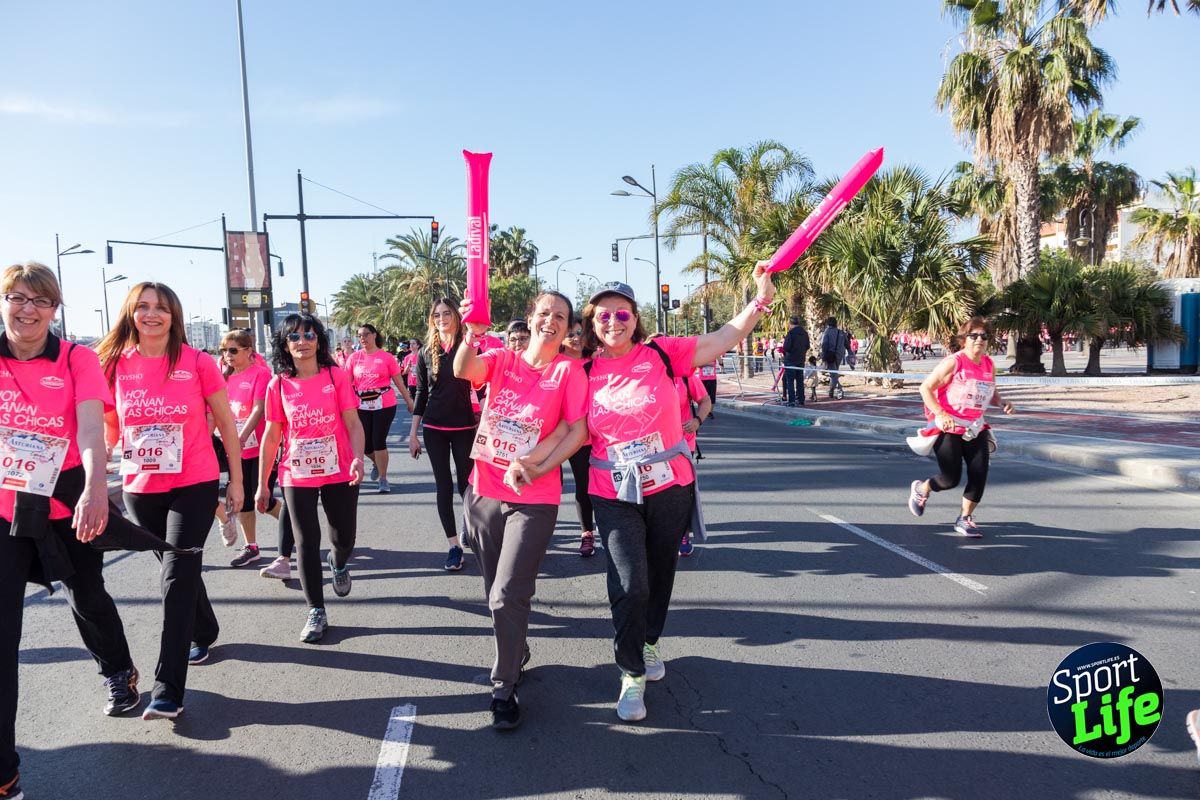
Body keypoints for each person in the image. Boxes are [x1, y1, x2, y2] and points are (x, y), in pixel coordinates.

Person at [564, 270, 775, 723]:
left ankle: (649, 640)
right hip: (612, 491)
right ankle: (631, 673)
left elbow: (723, 337)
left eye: (621, 313)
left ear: (635, 318)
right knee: (629, 582)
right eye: (603, 315)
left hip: (671, 484)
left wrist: (760, 302)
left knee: (661, 576)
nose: (613, 321)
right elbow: (564, 423)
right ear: (591, 323)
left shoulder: (662, 352)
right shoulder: (583, 371)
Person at [0, 263, 142, 799]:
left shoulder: (75, 357)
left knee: (86, 594)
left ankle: (118, 669)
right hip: (7, 506)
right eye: (16, 297)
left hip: (67, 499)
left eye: (40, 301)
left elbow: (89, 425)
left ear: (54, 310)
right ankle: (4, 771)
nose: (27, 309)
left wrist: (96, 487)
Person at [99, 281, 243, 721]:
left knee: (176, 575)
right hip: (140, 488)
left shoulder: (197, 362)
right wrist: (100, 462)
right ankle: (205, 627)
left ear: (173, 315)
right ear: (130, 313)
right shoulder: (112, 365)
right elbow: (109, 426)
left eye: (161, 307)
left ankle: (168, 689)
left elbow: (225, 423)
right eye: (142, 307)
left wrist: (234, 481)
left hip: (194, 482)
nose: (151, 314)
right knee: (176, 567)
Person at [453, 291, 587, 730]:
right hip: (483, 492)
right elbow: (463, 369)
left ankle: (503, 684)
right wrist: (471, 333)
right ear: (530, 319)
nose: (552, 321)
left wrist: (530, 464)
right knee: (495, 591)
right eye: (545, 313)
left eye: (561, 317)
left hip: (535, 497)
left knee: (507, 593)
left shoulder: (568, 371)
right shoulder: (501, 357)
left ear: (568, 329)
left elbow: (574, 429)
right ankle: (517, 647)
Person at [257, 313, 365, 643]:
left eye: (309, 335)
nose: (302, 341)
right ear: (285, 345)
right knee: (305, 540)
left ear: (319, 340)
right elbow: (272, 436)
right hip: (296, 471)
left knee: (343, 536)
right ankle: (316, 609)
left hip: (339, 468)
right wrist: (263, 483)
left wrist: (359, 458)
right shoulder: (278, 385)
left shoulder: (336, 376)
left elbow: (353, 423)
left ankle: (339, 562)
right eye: (294, 337)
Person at [906, 316, 1014, 537]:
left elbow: (989, 391)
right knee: (950, 479)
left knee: (979, 473)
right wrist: (940, 413)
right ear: (965, 339)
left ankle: (964, 518)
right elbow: (925, 388)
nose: (979, 340)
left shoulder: (989, 364)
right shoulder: (954, 362)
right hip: (949, 427)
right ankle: (922, 488)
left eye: (984, 336)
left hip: (975, 428)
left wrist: (1001, 402)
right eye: (974, 335)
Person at [411, 299, 476, 572]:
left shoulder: (469, 347)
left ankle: (470, 527)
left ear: (457, 317)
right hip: (434, 428)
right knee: (443, 486)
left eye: (446, 313)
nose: (441, 318)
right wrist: (413, 433)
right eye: (436, 315)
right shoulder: (426, 352)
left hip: (464, 427)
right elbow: (421, 393)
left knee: (467, 485)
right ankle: (453, 546)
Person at [218, 329, 283, 568]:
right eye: (224, 350)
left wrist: (242, 437)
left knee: (262, 501)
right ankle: (251, 547)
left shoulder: (261, 374)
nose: (228, 355)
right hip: (236, 450)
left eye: (233, 350)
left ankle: (294, 526)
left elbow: (259, 410)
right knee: (242, 501)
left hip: (261, 447)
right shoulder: (223, 378)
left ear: (248, 351)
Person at [346, 323, 414, 494]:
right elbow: (346, 385)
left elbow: (399, 382)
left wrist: (409, 402)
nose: (363, 338)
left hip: (384, 404)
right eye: (360, 335)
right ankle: (377, 462)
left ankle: (383, 478)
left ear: (374, 335)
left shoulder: (386, 357)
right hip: (360, 405)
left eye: (366, 335)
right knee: (366, 445)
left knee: (378, 440)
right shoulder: (354, 358)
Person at [561, 315, 597, 557]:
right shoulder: (554, 362)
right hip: (563, 434)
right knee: (569, 484)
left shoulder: (598, 360)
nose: (575, 338)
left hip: (596, 434)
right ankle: (585, 533)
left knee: (595, 485)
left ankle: (594, 531)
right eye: (570, 333)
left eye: (579, 333)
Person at [781, 316, 809, 407]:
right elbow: (807, 346)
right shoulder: (804, 333)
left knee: (790, 381)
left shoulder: (791, 333)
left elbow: (786, 347)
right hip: (801, 359)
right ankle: (801, 399)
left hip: (791, 359)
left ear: (790, 324)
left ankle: (792, 400)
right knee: (800, 380)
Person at [819, 317, 849, 399]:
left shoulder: (827, 332)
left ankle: (840, 390)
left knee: (833, 374)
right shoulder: (841, 332)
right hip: (839, 355)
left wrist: (823, 357)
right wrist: (850, 353)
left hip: (830, 355)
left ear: (828, 324)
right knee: (834, 373)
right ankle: (831, 391)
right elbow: (847, 344)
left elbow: (824, 345)